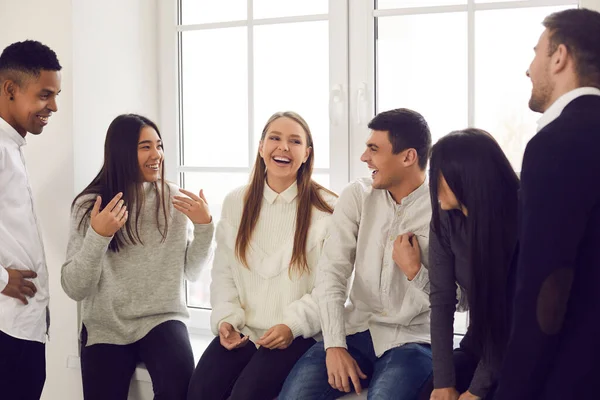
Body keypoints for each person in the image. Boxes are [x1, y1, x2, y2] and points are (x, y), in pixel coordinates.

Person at [280, 108, 433, 400]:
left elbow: (459, 299)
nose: (364, 158)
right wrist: (334, 345)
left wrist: (415, 272)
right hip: (357, 331)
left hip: (415, 341)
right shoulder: (357, 196)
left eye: (374, 149)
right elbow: (332, 273)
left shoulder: (441, 208)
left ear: (408, 157)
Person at [61, 114, 214, 400]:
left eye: (159, 145)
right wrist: (98, 235)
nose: (157, 155)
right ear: (122, 152)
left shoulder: (174, 199)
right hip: (105, 325)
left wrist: (204, 227)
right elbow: (74, 287)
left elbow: (191, 272)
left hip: (163, 318)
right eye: (145, 147)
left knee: (181, 389)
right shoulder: (89, 206)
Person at [186, 111, 337, 400]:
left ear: (306, 154)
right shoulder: (236, 202)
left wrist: (290, 326)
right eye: (275, 138)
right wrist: (226, 320)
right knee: (199, 391)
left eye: (294, 141)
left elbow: (329, 290)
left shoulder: (328, 209)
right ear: (261, 147)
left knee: (246, 395)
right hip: (243, 331)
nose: (283, 147)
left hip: (297, 336)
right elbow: (223, 275)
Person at [493, 8, 600, 400]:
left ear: (560, 57)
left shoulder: (557, 144)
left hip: (572, 374)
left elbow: (546, 287)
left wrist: (514, 390)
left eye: (536, 52)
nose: (528, 69)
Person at [418, 129, 519, 400]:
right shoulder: (445, 218)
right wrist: (443, 383)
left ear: (464, 177)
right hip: (479, 345)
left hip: (519, 347)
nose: (431, 183)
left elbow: (510, 318)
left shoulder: (520, 222)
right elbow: (441, 300)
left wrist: (476, 391)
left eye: (437, 174)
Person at [0, 40, 62, 400]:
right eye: (44, 95)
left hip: (24, 327)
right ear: (10, 89)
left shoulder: (12, 147)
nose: (53, 106)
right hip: (7, 330)